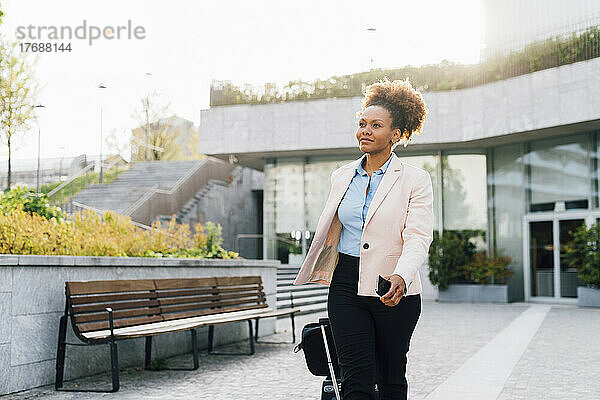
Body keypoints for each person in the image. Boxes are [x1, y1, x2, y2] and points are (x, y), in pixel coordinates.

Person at [293, 77, 434, 400]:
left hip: (393, 286)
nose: (365, 131)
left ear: (396, 134)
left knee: (390, 377)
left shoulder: (415, 180)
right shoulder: (342, 176)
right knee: (354, 377)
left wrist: (403, 273)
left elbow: (418, 236)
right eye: (362, 124)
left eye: (376, 125)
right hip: (345, 284)